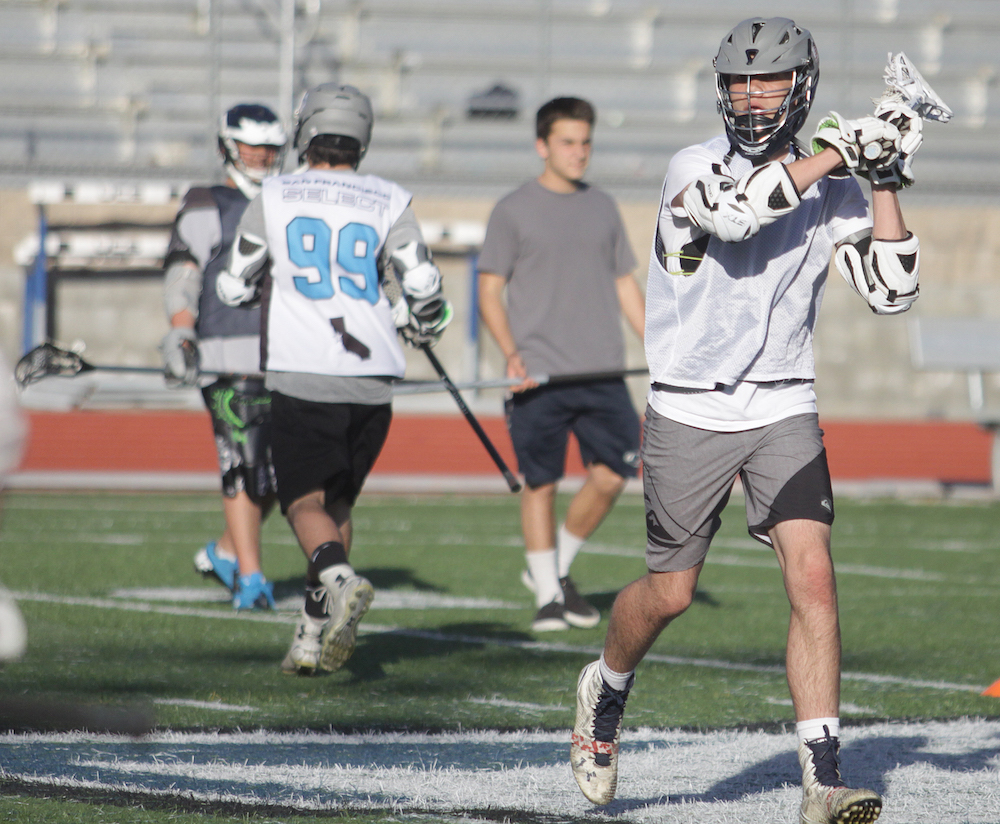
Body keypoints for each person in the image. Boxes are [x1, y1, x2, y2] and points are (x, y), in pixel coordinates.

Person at [570, 17, 921, 824]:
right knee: (670, 594)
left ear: (802, 87)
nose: (752, 97)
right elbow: (736, 215)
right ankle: (606, 688)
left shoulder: (831, 185)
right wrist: (841, 148)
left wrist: (883, 176)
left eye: (768, 82)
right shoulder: (693, 165)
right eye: (739, 82)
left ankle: (822, 781)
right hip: (690, 404)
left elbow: (893, 292)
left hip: (783, 400)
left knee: (812, 573)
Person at [216, 83, 453, 675]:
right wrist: (418, 319)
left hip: (304, 374)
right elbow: (424, 289)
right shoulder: (388, 198)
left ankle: (342, 581)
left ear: (307, 130)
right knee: (337, 504)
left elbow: (234, 283)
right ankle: (310, 634)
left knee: (303, 503)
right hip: (372, 379)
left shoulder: (275, 195)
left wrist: (258, 288)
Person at [477, 97, 645, 633]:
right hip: (538, 376)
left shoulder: (603, 206)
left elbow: (624, 283)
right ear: (542, 146)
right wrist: (511, 352)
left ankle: (555, 568)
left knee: (614, 472)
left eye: (585, 142)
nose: (579, 152)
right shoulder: (512, 209)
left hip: (602, 371)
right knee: (541, 483)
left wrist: (658, 343)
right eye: (568, 142)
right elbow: (489, 291)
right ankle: (549, 596)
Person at [160, 104, 288, 611]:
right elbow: (183, 270)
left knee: (284, 471)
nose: (261, 156)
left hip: (287, 353)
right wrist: (181, 328)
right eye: (251, 146)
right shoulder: (206, 201)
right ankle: (250, 578)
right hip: (226, 351)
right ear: (228, 148)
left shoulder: (287, 199)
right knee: (244, 459)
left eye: (269, 148)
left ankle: (226, 551)